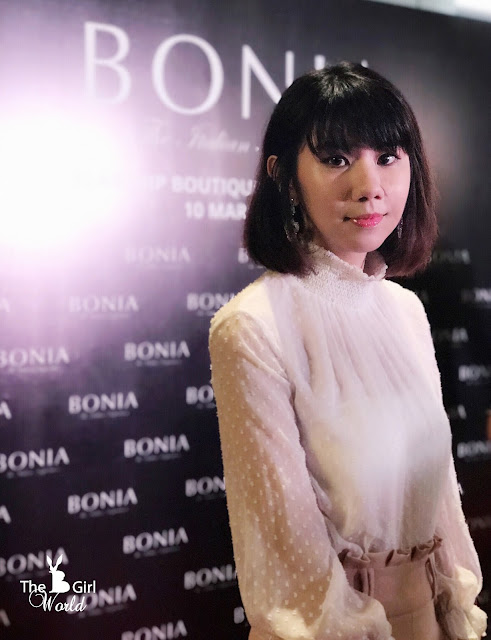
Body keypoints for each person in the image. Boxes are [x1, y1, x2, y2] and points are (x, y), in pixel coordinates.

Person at [208, 61, 487, 640]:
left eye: (387, 156)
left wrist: (454, 609)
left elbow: (441, 503)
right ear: (286, 178)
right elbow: (287, 557)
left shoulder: (404, 310)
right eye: (336, 159)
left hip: (433, 615)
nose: (369, 185)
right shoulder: (252, 328)